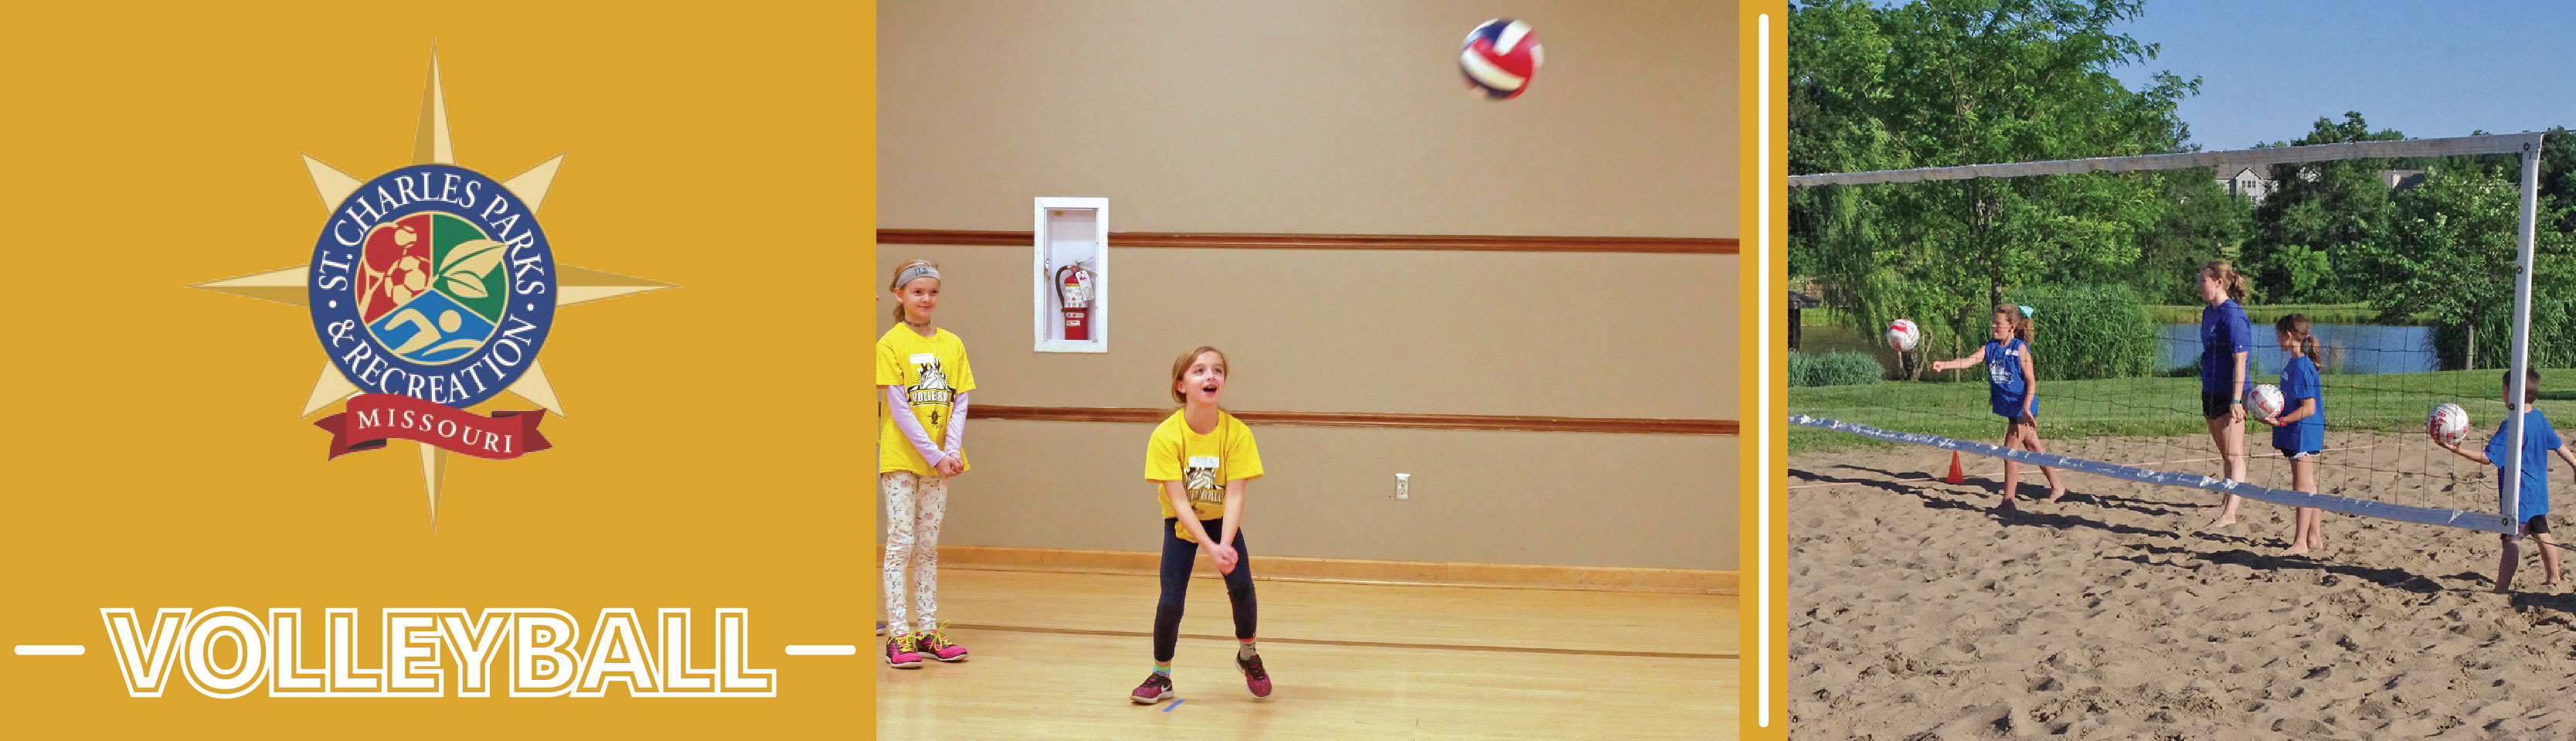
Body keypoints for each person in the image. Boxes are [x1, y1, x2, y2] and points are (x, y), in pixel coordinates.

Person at [1131, 346, 1272, 704]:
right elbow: (1178, 502)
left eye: (1218, 371)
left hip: (1222, 523)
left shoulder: (1237, 434)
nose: (1210, 376)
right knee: (1171, 600)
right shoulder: (1166, 436)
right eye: (1199, 371)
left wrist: (1224, 545)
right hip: (1183, 524)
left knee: (1241, 588)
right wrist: (1210, 549)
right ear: (1181, 385)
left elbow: (1236, 495)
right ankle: (1161, 676)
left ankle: (1248, 655)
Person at [878, 259, 974, 667]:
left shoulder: (952, 344)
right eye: (918, 292)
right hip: (903, 460)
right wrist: (934, 455)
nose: (926, 299)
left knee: (929, 546)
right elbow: (898, 409)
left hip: (940, 463)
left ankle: (928, 631)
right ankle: (898, 635)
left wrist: (949, 452)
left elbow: (959, 400)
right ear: (899, 295)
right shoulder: (889, 344)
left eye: (933, 292)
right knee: (901, 543)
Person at [2436, 369, 2576, 593]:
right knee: (2542, 533)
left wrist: (2456, 450)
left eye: (2503, 389)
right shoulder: (2539, 418)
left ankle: (2501, 589)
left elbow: (2487, 459)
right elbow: (2560, 446)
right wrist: (2574, 464)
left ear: (2511, 394)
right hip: (2538, 493)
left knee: (2511, 540)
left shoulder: (2511, 425)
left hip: (2519, 496)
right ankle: (2553, 577)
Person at [1927, 304, 2063, 510]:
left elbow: (2031, 382)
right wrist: (1944, 365)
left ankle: (2008, 501)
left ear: (2012, 326)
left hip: (2022, 409)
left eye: (1998, 324)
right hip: (2011, 408)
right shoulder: (1991, 347)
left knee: (2009, 452)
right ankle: (2058, 486)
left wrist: (2026, 408)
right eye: (1993, 323)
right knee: (2034, 447)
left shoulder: (2020, 348)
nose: (1993, 326)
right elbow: (1970, 361)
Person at [2255, 314, 2326, 556]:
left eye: (2277, 334)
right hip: (2294, 432)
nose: (2276, 339)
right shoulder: (2292, 364)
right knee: (2307, 484)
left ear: (2287, 335)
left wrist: (2281, 420)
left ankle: (2300, 543)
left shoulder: (2303, 367)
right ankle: (2314, 537)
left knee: (2302, 486)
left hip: (2303, 433)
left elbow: (2309, 408)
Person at [2197, 261, 2255, 529]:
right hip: (2210, 388)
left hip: (2230, 392)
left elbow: (2240, 361)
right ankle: (2225, 501)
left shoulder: (2234, 315)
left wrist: (2235, 400)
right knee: (2225, 454)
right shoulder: (2209, 312)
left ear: (2218, 282)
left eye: (2203, 281)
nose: (2199, 287)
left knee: (2234, 455)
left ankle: (2231, 513)